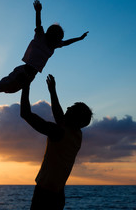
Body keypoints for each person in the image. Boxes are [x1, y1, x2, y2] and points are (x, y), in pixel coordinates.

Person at [0, 0, 88, 106]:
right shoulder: (41, 37)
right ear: (51, 35)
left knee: (12, 88)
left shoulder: (54, 46)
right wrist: (38, 11)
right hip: (24, 70)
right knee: (8, 83)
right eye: (57, 38)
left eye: (59, 39)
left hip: (32, 75)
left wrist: (79, 38)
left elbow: (67, 42)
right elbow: (38, 24)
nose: (59, 41)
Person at [20, 74, 92, 210]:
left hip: (45, 195)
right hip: (58, 194)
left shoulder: (58, 132)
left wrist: (26, 86)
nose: (67, 109)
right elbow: (60, 116)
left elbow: (25, 114)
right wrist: (52, 91)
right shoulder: (77, 134)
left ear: (74, 118)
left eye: (71, 109)